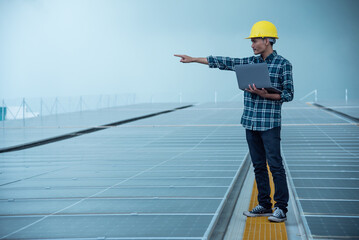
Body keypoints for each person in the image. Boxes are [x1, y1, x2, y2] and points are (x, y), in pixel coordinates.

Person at [174, 20, 294, 222]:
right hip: (250, 122)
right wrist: (194, 59)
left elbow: (289, 94)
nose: (252, 45)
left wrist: (265, 94)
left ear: (267, 40)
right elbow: (224, 62)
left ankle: (281, 208)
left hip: (270, 124)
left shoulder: (283, 64)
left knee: (275, 165)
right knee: (258, 165)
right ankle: (265, 205)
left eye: (255, 41)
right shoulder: (249, 63)